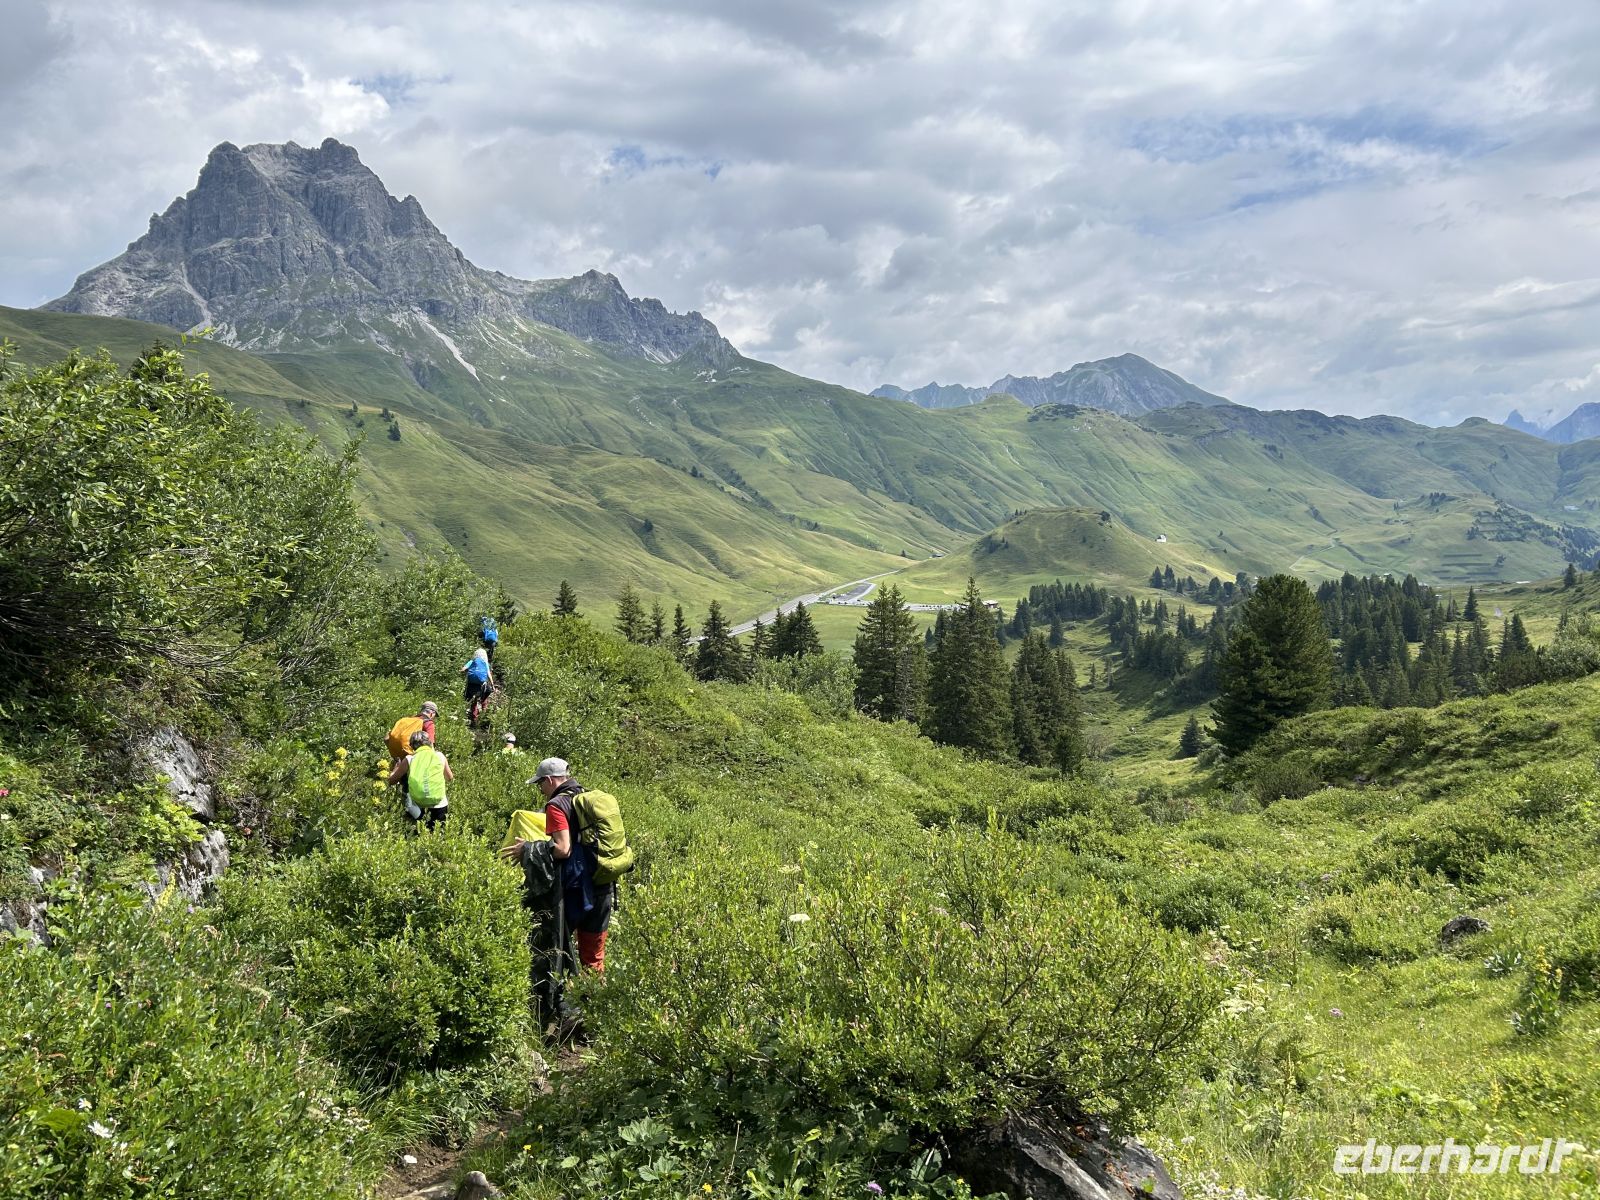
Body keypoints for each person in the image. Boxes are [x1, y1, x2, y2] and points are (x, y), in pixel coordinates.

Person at [523, 756, 614, 973]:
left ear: (549, 780)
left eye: (540, 783)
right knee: (593, 956)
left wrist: (527, 849)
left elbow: (563, 849)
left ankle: (557, 1001)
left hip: (578, 891)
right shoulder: (584, 795)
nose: (540, 789)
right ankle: (596, 1002)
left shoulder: (556, 805)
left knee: (556, 947)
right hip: (603, 883)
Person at [386, 728, 453, 829]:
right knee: (438, 835)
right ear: (429, 743)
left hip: (417, 806)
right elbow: (450, 778)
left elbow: (391, 780)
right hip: (439, 804)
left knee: (417, 834)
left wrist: (395, 769)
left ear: (412, 746)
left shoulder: (409, 759)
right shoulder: (439, 756)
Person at [461, 647, 494, 726]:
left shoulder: (472, 661)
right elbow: (489, 674)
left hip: (471, 683)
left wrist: (465, 672)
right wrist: (492, 685)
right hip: (481, 684)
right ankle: (484, 714)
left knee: (473, 700)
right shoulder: (485, 662)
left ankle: (474, 719)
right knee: (485, 697)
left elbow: (463, 669)